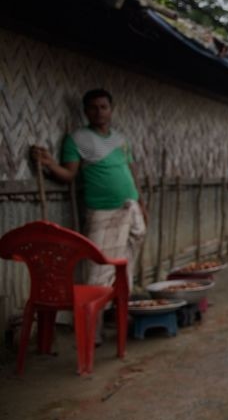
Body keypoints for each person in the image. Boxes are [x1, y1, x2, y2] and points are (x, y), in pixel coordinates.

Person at [31, 89, 147, 293]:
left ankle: (119, 303)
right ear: (85, 111)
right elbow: (69, 174)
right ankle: (95, 317)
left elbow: (131, 171)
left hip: (130, 206)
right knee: (100, 266)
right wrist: (49, 163)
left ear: (111, 110)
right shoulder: (77, 139)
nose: (99, 112)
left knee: (125, 260)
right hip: (103, 210)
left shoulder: (120, 140)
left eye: (104, 107)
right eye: (93, 108)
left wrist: (141, 202)